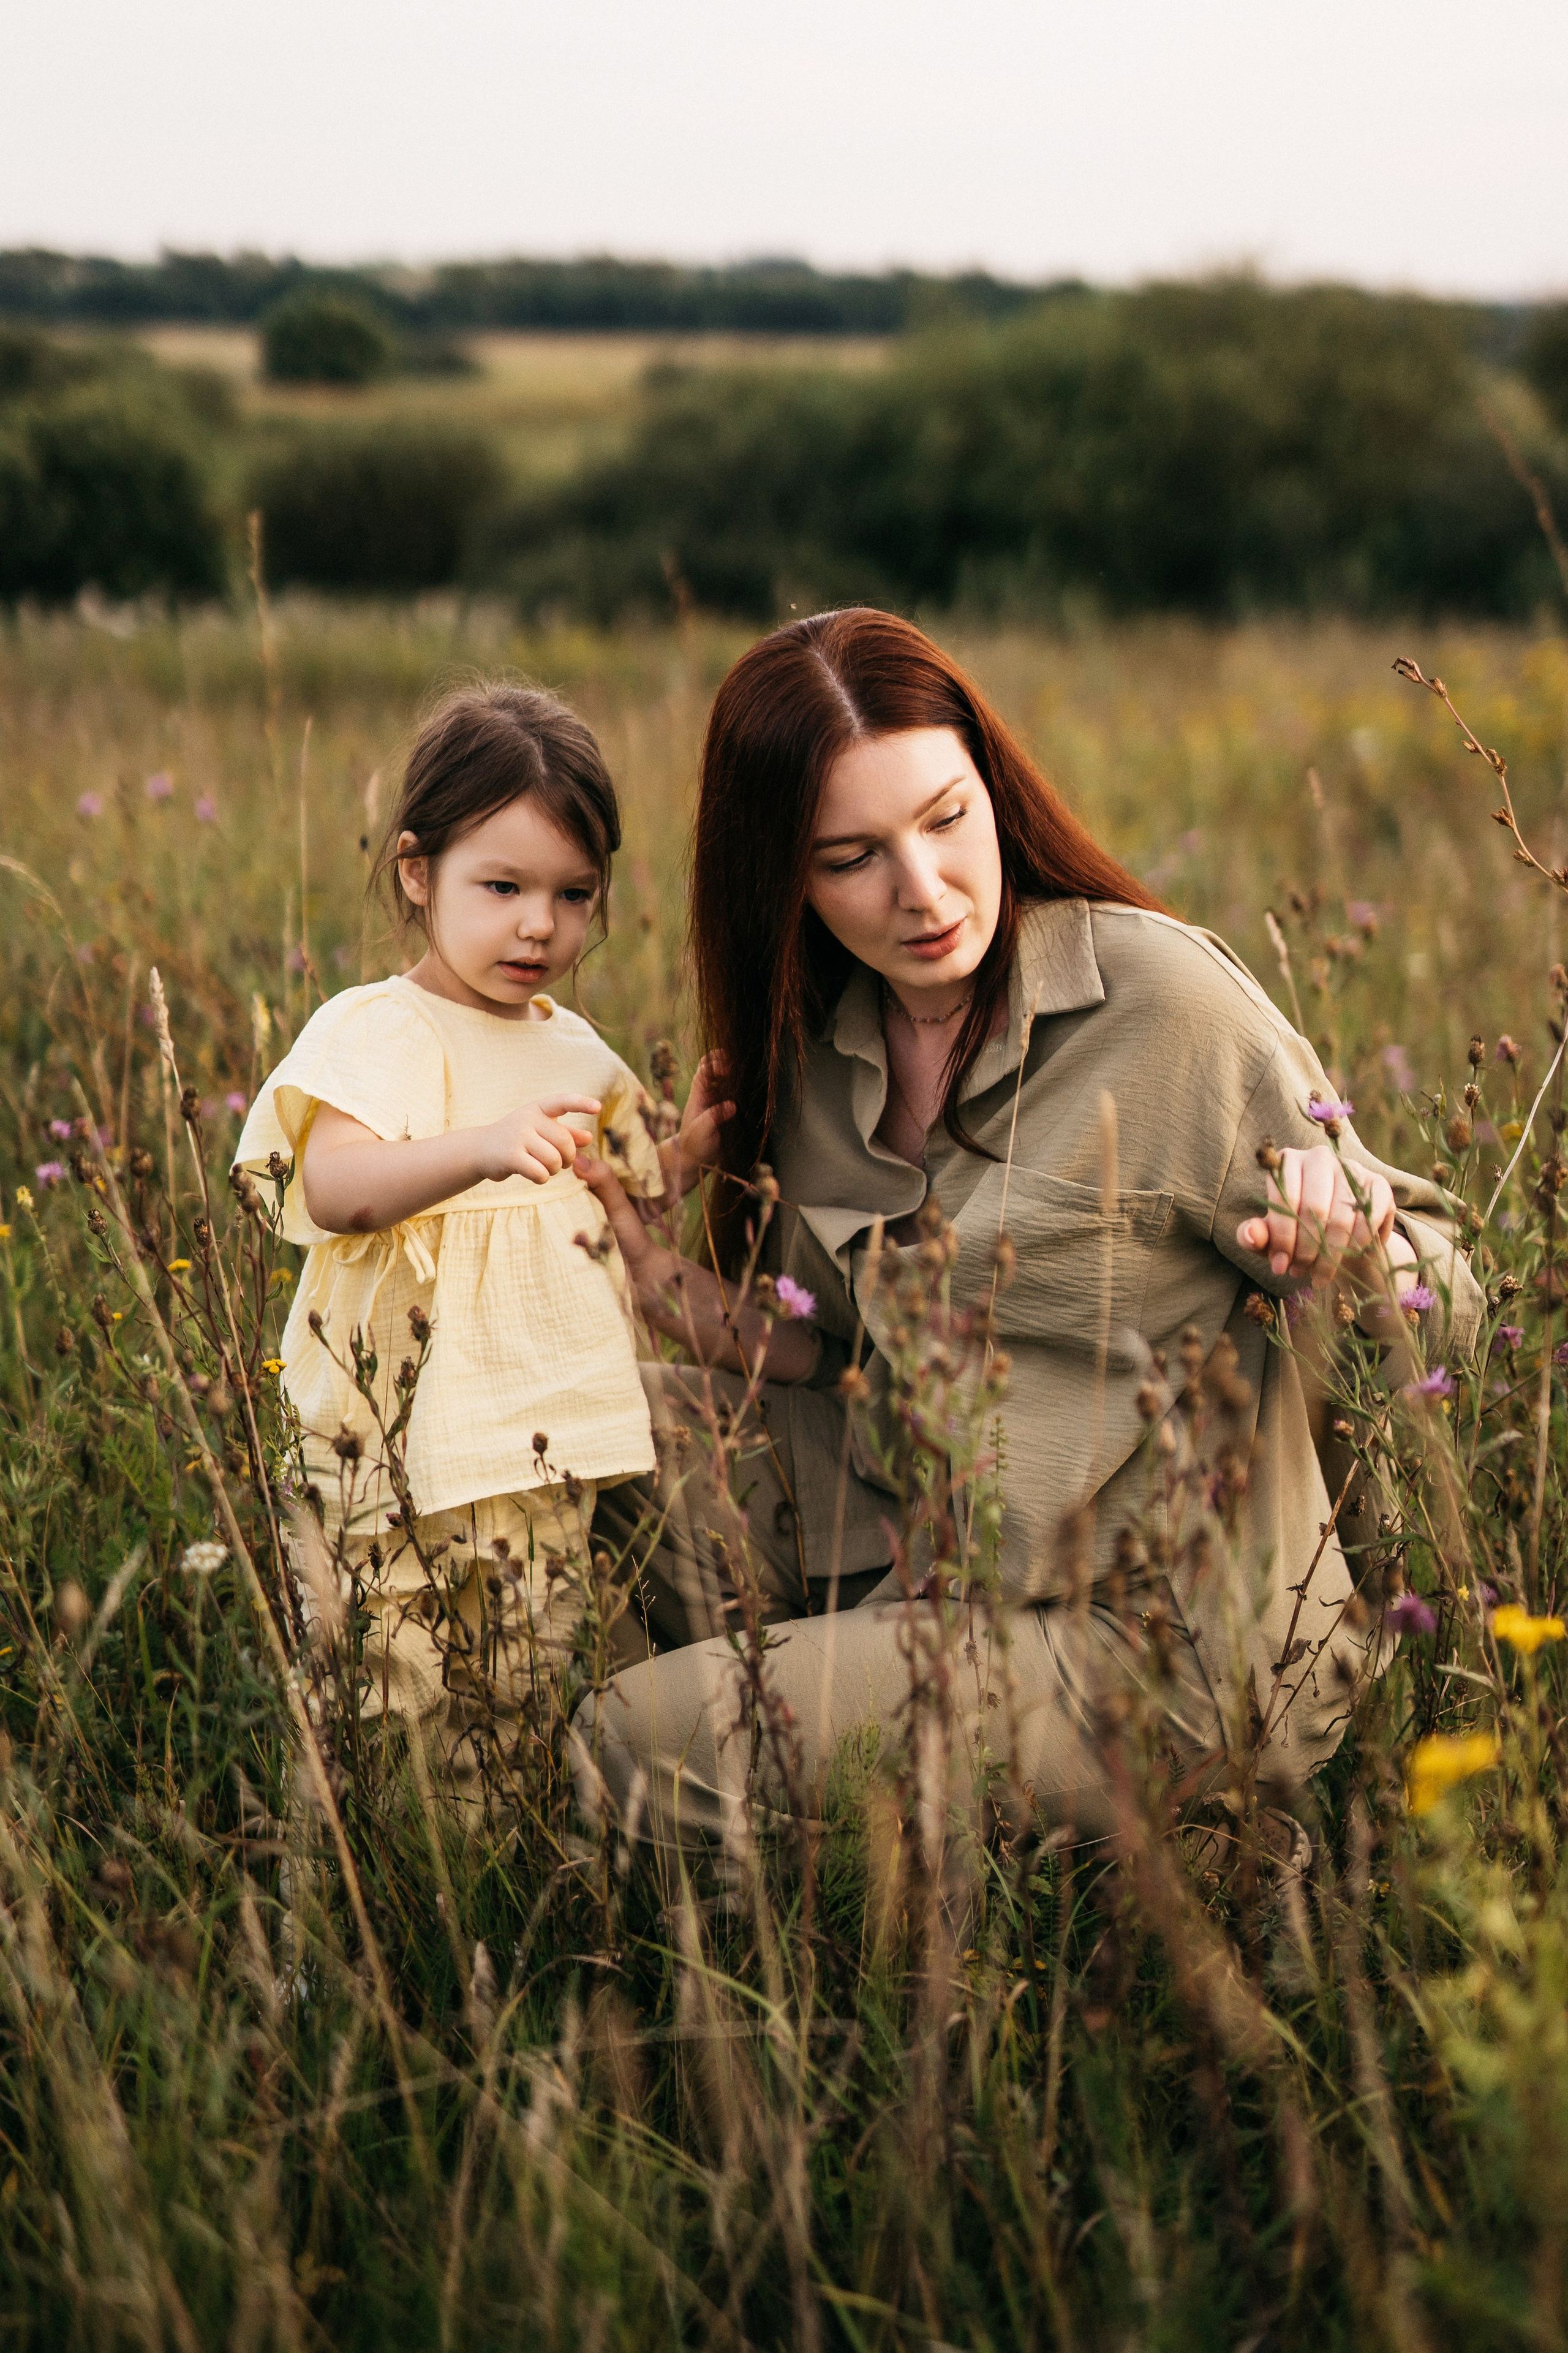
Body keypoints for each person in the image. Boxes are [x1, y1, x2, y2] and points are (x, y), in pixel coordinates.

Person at [575, 608, 1483, 1859]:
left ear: (991, 791)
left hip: (1150, 1631)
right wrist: (676, 1300)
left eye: (946, 818)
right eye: (851, 857)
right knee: (569, 1440)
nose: (924, 890)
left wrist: (1360, 1259)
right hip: (912, 1535)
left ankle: (1139, 1852)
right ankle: (882, 1814)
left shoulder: (1164, 1008)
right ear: (780, 876)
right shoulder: (813, 1046)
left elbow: (1453, 1301)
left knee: (623, 1735)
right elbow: (856, 1359)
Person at [235, 682, 718, 1800]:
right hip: (392, 1448)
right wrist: (481, 1145)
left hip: (533, 1437)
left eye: (571, 893)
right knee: (385, 1685)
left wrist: (688, 1144)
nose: (538, 925)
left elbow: (626, 1192)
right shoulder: (381, 1026)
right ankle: (365, 1922)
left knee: (514, 1686)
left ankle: (484, 1908)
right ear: (419, 872)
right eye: (501, 887)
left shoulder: (576, 1048)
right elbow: (338, 1183)